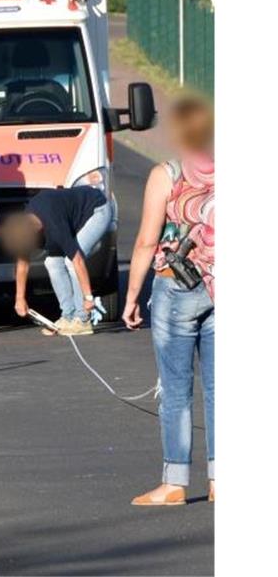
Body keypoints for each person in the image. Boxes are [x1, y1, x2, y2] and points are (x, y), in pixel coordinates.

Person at [122, 96, 214, 507]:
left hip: (175, 286)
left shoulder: (167, 174)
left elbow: (145, 241)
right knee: (221, 389)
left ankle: (175, 482)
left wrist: (131, 297)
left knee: (176, 388)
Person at [0, 185, 116, 337]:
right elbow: (22, 265)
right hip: (72, 216)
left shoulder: (54, 225)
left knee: (69, 261)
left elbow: (78, 261)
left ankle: (82, 320)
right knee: (52, 263)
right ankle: (68, 316)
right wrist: (19, 299)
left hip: (97, 209)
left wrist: (88, 298)